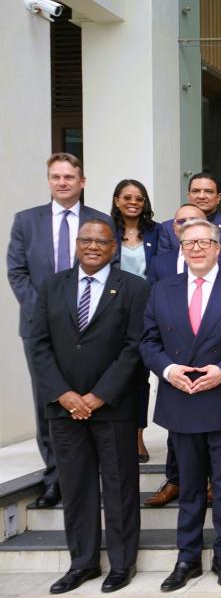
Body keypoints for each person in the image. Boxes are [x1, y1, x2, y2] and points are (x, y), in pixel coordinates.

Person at [30, 220, 147, 594]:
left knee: (119, 487)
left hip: (112, 407)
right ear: (76, 245)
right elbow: (39, 345)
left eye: (102, 241)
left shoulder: (134, 288)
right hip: (64, 409)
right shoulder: (52, 286)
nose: (93, 246)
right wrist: (65, 394)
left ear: (114, 247)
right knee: (76, 489)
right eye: (86, 240)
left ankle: (122, 563)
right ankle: (82, 563)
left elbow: (134, 349)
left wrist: (98, 395)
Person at [141, 219, 221, 592]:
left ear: (218, 247)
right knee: (189, 487)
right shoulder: (162, 290)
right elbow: (148, 342)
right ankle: (187, 558)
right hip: (182, 400)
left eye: (204, 242)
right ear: (180, 248)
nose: (196, 248)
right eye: (188, 243)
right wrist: (169, 369)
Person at [7, 152, 112, 510]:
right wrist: (47, 313)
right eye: (56, 177)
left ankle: (91, 475)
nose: (62, 182)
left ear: (82, 182)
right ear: (49, 181)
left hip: (91, 326)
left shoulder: (100, 221)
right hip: (41, 328)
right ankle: (56, 479)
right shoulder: (26, 221)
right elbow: (17, 272)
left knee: (92, 397)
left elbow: (107, 270)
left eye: (69, 177)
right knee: (48, 401)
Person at [110, 179, 159, 463]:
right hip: (113, 315)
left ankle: (138, 436)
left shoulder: (157, 231)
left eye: (139, 198)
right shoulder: (106, 231)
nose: (133, 202)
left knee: (140, 378)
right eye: (127, 197)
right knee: (116, 377)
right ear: (117, 200)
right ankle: (117, 436)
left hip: (146, 314)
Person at [147, 204, 221, 285]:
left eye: (194, 220)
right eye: (181, 221)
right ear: (174, 228)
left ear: (207, 225)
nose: (188, 224)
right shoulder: (158, 263)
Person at [157, 172, 221, 254]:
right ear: (189, 196)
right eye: (196, 191)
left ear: (218, 197)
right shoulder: (168, 228)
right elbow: (164, 264)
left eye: (208, 191)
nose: (201, 196)